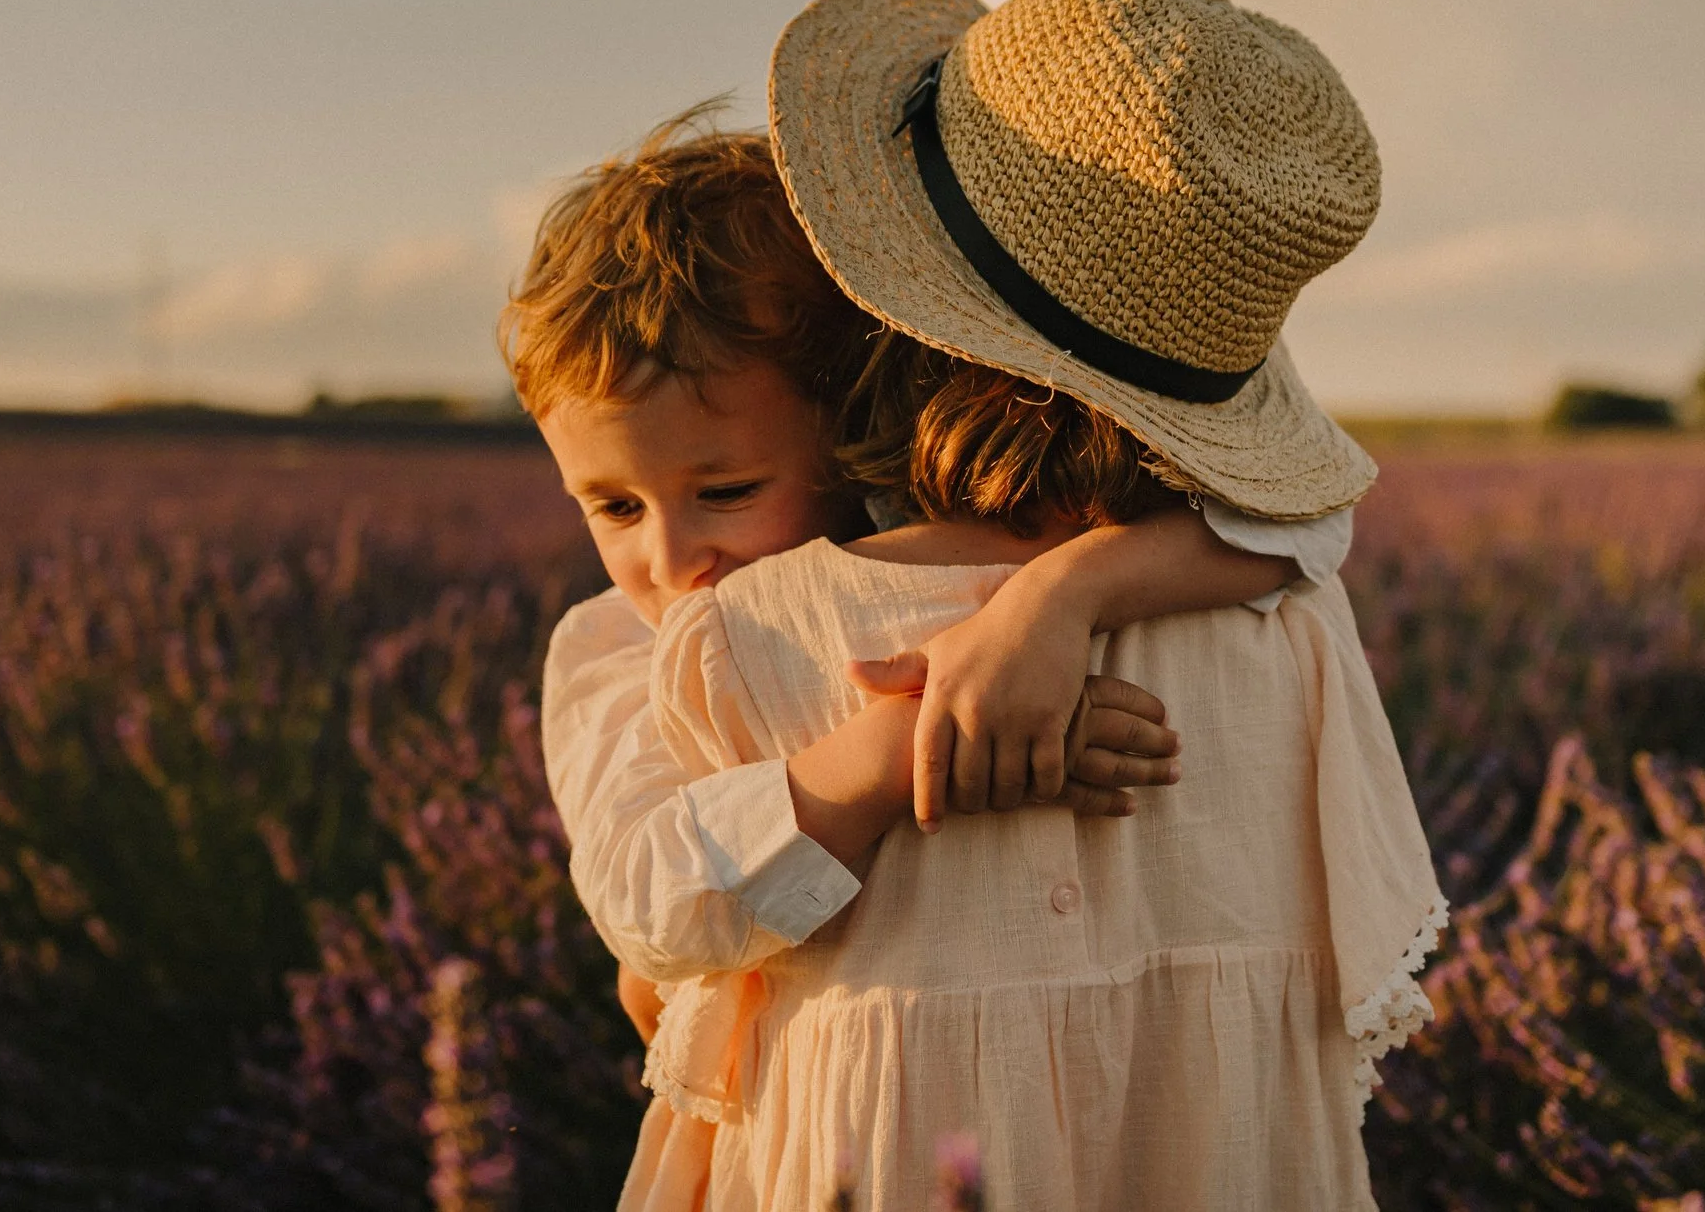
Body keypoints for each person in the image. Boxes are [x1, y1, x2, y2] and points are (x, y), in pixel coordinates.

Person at [617, 0, 1444, 1209]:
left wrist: (955, 699)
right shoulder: (1287, 616)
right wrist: (1071, 595)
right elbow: (1304, 527)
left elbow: (658, 961)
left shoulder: (752, 637)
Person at [503, 119, 1353, 1206]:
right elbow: (646, 902)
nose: (670, 558)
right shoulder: (616, 646)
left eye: (724, 492)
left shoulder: (954, 551)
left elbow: (1299, 519)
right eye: (611, 506)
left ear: (844, 432)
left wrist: (1061, 599)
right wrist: (906, 743)